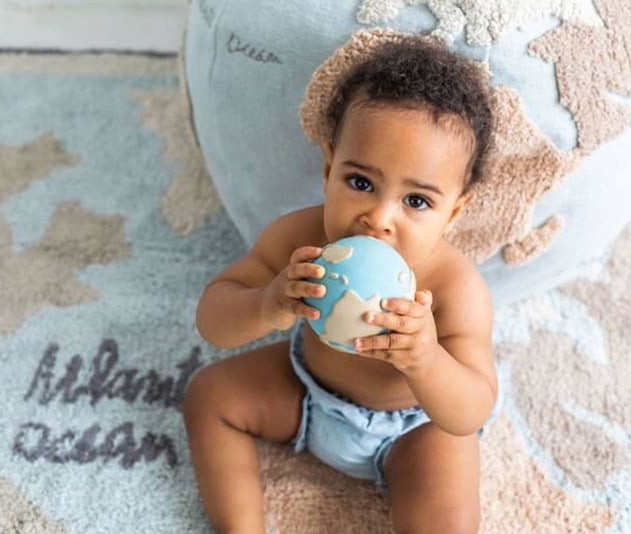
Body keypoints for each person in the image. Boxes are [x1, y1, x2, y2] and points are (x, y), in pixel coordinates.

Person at [184, 34, 499, 534]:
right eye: (361, 183)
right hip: (305, 389)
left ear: (453, 212)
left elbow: (472, 408)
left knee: (451, 515)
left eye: (416, 201)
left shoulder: (456, 287)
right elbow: (213, 318)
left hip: (413, 432)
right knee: (209, 394)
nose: (378, 218)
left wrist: (426, 358)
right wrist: (268, 304)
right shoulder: (298, 238)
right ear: (330, 169)